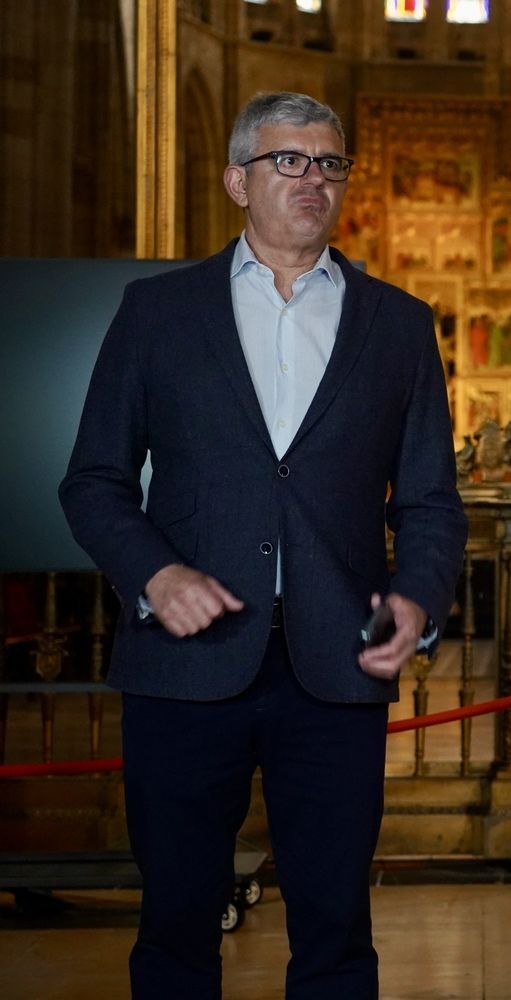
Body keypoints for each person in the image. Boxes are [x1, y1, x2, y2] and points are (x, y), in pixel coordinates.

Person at [58, 92, 467, 998]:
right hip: (183, 665)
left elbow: (433, 502)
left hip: (335, 667)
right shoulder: (157, 312)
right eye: (289, 160)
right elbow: (93, 481)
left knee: (336, 933)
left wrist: (419, 597)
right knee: (174, 927)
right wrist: (156, 573)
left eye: (330, 163)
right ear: (239, 179)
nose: (312, 179)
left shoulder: (396, 325)